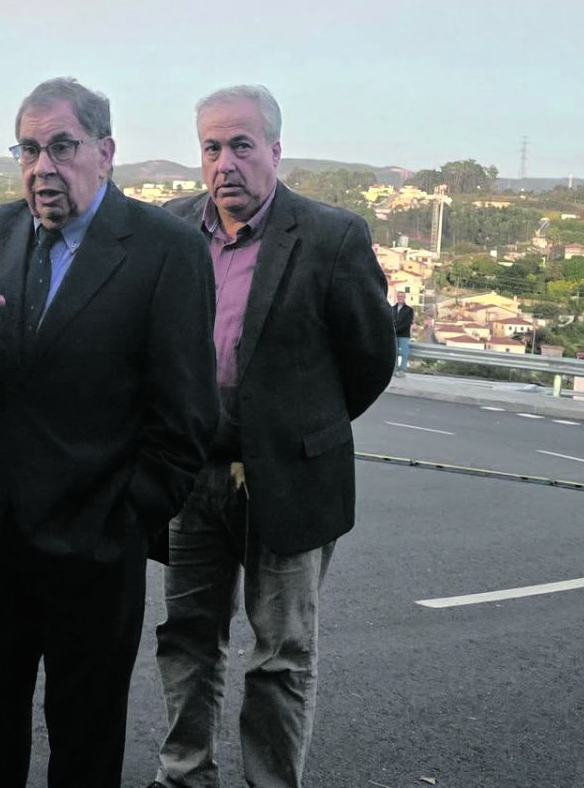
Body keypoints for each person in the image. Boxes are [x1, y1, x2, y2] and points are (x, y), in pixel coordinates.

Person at [0, 77, 214, 788]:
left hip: (95, 552)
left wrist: (126, 520)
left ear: (105, 152)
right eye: (30, 149)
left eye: (62, 147)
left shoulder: (166, 251)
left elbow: (187, 417)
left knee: (85, 743)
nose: (44, 166)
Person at [151, 84, 395, 788]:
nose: (225, 162)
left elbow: (369, 359)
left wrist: (299, 429)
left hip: (289, 477)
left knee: (282, 650)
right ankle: (184, 774)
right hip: (193, 476)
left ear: (275, 151)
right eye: (211, 146)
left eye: (241, 144)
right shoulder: (170, 231)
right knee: (188, 637)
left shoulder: (331, 236)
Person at [391, 290, 415, 375]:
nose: (400, 298)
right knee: (394, 353)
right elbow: (390, 321)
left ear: (404, 298)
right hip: (394, 335)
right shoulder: (392, 309)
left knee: (404, 353)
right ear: (396, 297)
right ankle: (394, 370)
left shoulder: (409, 310)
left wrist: (394, 329)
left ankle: (402, 370)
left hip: (404, 335)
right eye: (399, 296)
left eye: (402, 296)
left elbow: (407, 323)